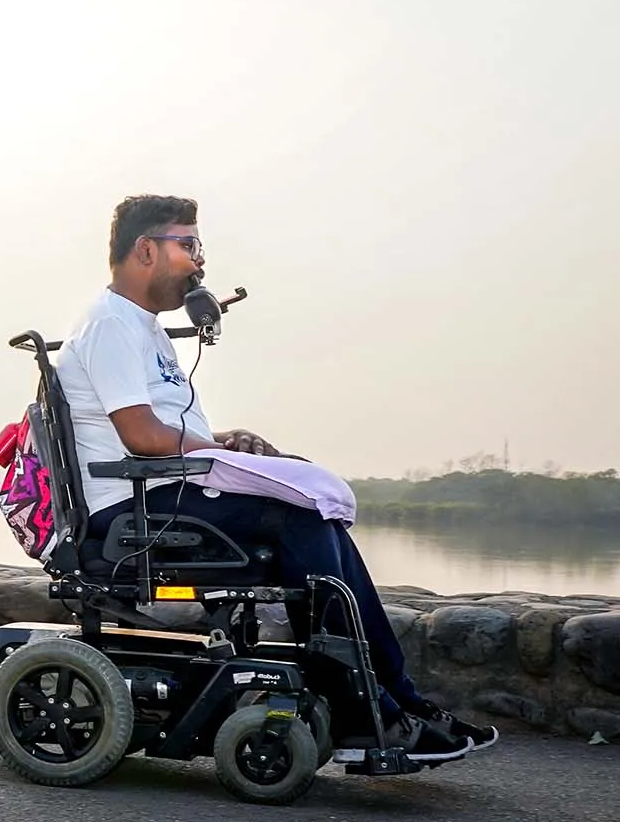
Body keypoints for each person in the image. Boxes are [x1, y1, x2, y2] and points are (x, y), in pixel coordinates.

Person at [58, 193, 499, 761]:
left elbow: (164, 431)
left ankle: (397, 700)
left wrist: (223, 443)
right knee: (301, 518)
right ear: (146, 250)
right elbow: (142, 438)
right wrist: (226, 459)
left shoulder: (145, 330)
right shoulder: (110, 325)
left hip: (169, 491)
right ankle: (363, 715)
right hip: (135, 507)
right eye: (188, 245)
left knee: (325, 525)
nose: (199, 262)